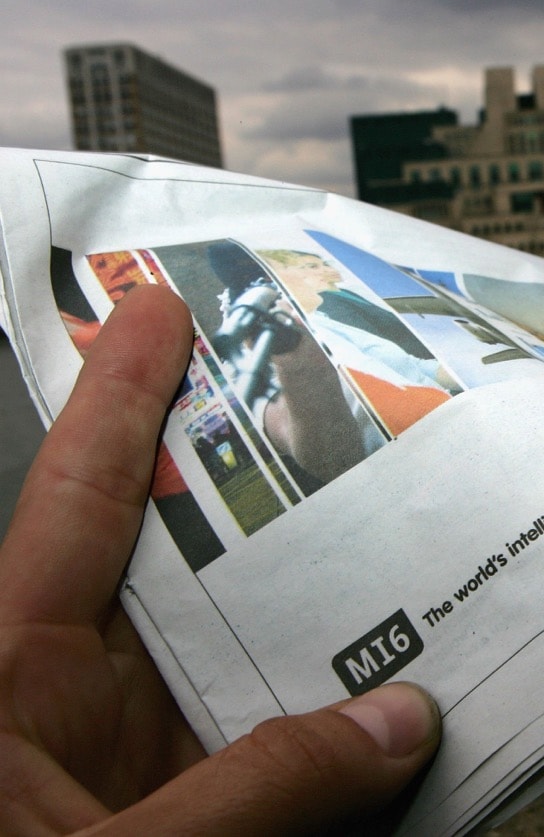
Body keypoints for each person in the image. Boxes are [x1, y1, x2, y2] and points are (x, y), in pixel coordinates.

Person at [0, 286, 441, 834]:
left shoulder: (346, 313)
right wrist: (300, 366)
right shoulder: (251, 368)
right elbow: (326, 451)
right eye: (232, 296)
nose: (241, 302)